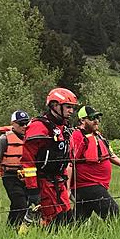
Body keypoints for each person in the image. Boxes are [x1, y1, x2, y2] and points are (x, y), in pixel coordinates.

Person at [20, 87, 79, 228]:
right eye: (68, 107)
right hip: (43, 182)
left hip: (59, 182)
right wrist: (33, 190)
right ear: (55, 105)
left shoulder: (62, 128)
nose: (71, 111)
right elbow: (28, 162)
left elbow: (63, 159)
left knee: (68, 220)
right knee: (54, 222)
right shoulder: (38, 127)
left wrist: (65, 181)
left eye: (72, 108)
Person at [70, 105, 120, 221]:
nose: (96, 121)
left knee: (78, 219)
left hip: (97, 184)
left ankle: (60, 233)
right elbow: (70, 162)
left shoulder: (98, 135)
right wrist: (67, 189)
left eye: (97, 118)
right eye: (92, 118)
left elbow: (109, 154)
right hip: (88, 184)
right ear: (82, 120)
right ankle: (116, 236)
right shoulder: (77, 136)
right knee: (112, 213)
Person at [0, 110, 30, 227]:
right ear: (13, 123)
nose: (24, 126)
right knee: (20, 204)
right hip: (10, 176)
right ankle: (17, 230)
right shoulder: (4, 139)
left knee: (25, 205)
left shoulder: (30, 138)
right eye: (21, 124)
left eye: (26, 123)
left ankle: (10, 228)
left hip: (27, 176)